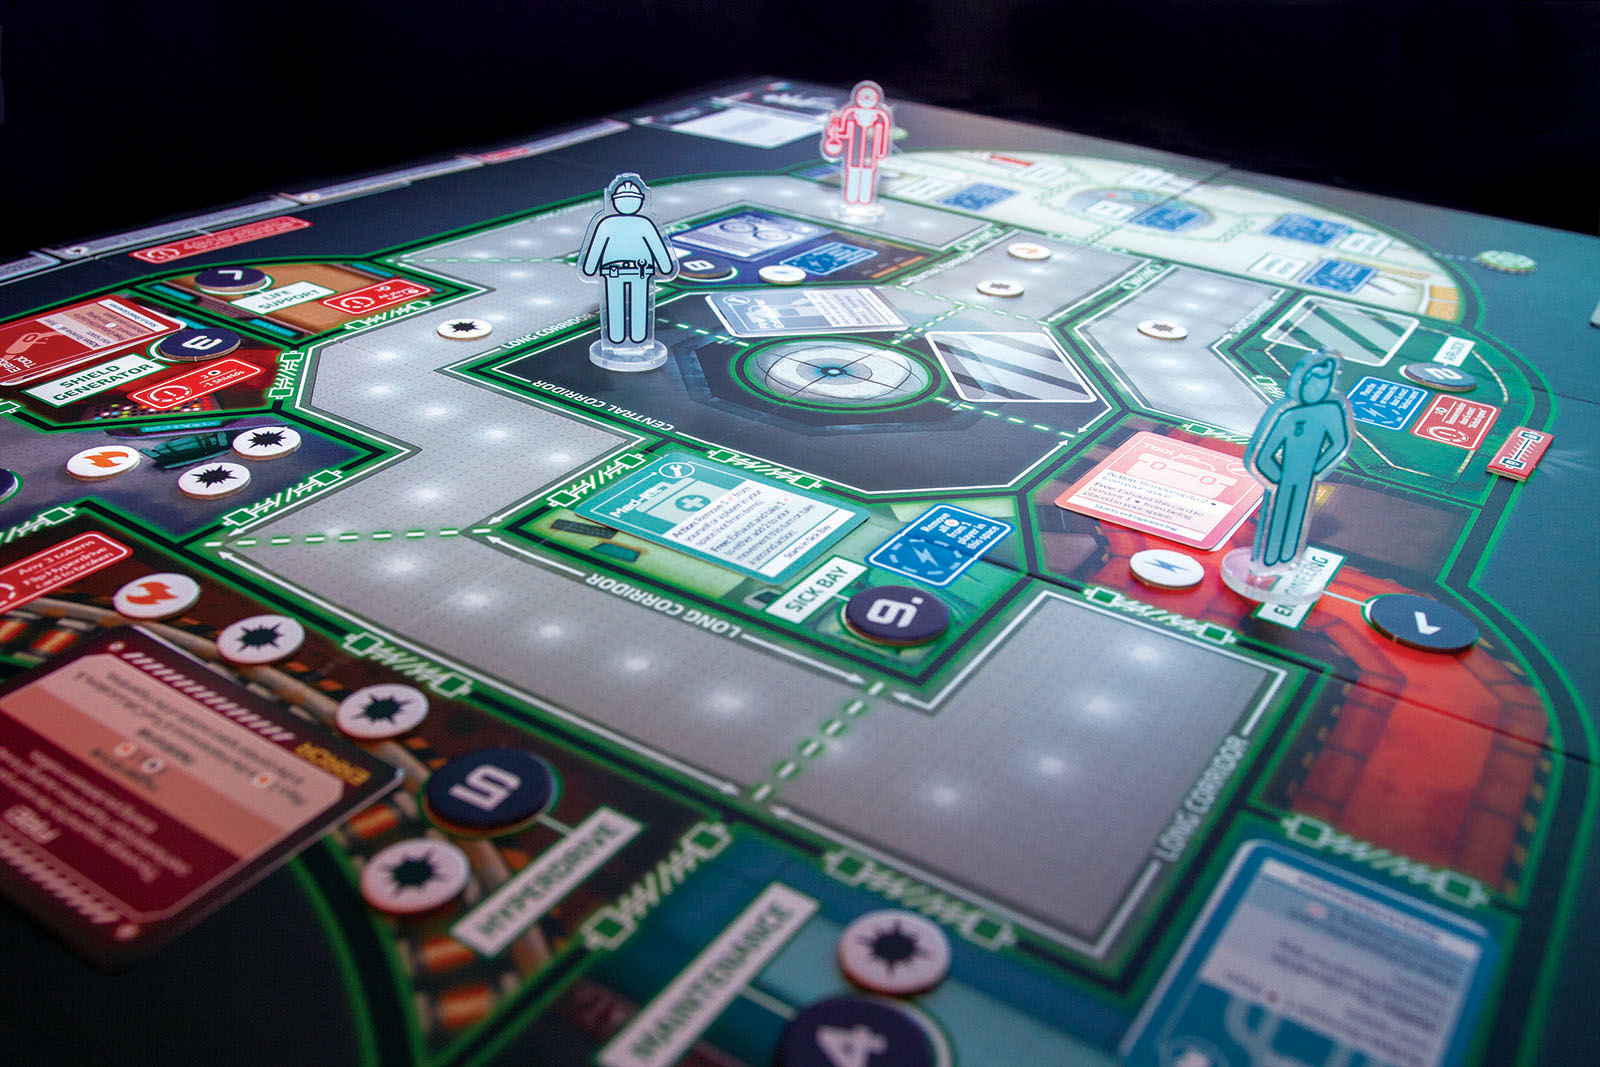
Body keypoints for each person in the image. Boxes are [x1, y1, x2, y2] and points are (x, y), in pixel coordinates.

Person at [1245, 350, 1350, 569]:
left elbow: (1340, 444)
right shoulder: (1288, 414)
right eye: (1311, 383)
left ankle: (1284, 559)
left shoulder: (1331, 410)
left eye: (1322, 384)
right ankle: (1270, 560)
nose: (1315, 389)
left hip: (1306, 478)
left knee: (1296, 517)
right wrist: (1279, 479)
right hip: (1285, 478)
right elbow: (1263, 454)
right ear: (1302, 383)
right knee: (1278, 519)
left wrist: (1315, 470)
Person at [579, 174, 676, 348]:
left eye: (632, 199)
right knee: (615, 305)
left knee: (639, 304)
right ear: (614, 201)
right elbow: (596, 247)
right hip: (613, 271)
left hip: (640, 271)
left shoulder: (644, 223)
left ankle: (637, 337)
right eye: (624, 199)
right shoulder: (607, 223)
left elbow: (656, 246)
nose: (628, 203)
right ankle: (617, 337)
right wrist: (590, 267)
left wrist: (665, 266)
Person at [821, 81, 894, 211]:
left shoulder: (881, 115)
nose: (866, 99)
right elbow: (841, 132)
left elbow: (884, 136)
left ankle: (864, 202)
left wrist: (882, 154)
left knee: (867, 177)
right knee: (852, 176)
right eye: (864, 96)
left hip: (870, 157)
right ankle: (852, 200)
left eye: (870, 97)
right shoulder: (849, 112)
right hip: (852, 156)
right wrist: (834, 126)